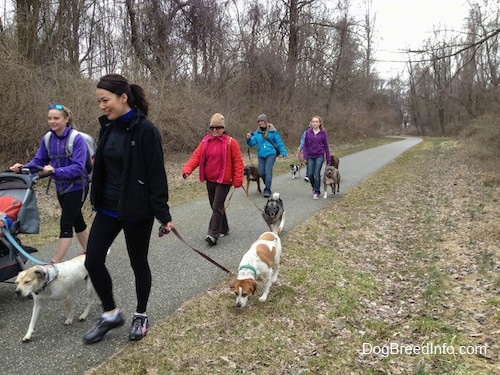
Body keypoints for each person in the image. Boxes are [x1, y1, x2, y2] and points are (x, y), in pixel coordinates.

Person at [83, 74, 173, 344]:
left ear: (123, 98)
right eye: (99, 101)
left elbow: (156, 175)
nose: (102, 106)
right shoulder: (107, 128)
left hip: (137, 209)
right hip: (109, 207)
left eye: (105, 100)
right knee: (93, 260)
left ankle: (141, 314)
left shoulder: (146, 130)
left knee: (138, 263)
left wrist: (163, 215)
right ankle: (111, 313)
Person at [10, 104, 90, 263]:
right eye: (49, 118)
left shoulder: (77, 139)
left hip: (77, 187)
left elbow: (78, 167)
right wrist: (23, 168)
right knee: (77, 221)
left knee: (66, 224)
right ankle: (92, 254)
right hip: (60, 187)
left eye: (56, 118)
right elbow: (38, 160)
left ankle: (54, 264)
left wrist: (55, 171)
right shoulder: (48, 138)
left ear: (66, 119)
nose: (52, 121)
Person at [182, 113, 244, 246]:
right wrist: (187, 169)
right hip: (210, 179)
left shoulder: (231, 143)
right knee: (216, 205)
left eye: (218, 128)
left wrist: (238, 178)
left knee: (216, 206)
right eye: (212, 128)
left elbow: (238, 162)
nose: (215, 130)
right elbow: (196, 157)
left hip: (225, 180)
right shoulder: (206, 141)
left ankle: (213, 234)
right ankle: (224, 227)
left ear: (223, 128)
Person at [245, 114, 287, 198]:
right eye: (259, 121)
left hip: (271, 153)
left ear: (265, 121)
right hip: (261, 154)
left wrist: (283, 152)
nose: (261, 123)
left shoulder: (272, 131)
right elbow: (252, 143)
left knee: (268, 171)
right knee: (261, 172)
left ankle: (267, 189)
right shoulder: (257, 133)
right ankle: (267, 182)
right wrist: (248, 139)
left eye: (262, 121)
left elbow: (279, 142)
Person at [303, 115, 331, 199]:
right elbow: (305, 145)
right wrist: (305, 156)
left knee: (317, 173)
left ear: (319, 123)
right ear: (311, 123)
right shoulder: (308, 133)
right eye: (313, 122)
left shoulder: (323, 133)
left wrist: (328, 158)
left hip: (319, 155)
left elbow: (326, 146)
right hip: (310, 156)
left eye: (316, 122)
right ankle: (314, 186)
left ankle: (317, 192)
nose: (315, 123)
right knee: (310, 174)